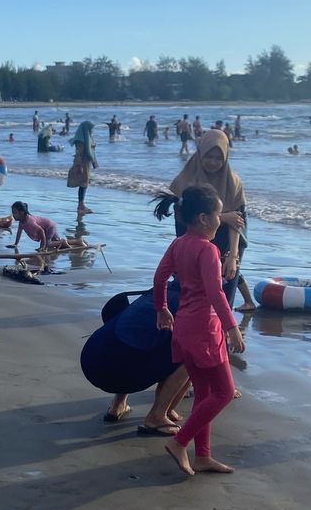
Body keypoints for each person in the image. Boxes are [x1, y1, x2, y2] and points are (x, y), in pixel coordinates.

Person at [152, 183, 244, 477]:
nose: (220, 220)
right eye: (217, 215)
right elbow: (216, 293)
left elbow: (160, 276)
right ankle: (180, 442)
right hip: (206, 330)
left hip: (183, 328)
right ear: (204, 218)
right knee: (225, 392)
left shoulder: (179, 244)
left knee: (205, 394)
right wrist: (232, 328)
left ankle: (203, 456)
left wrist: (162, 308)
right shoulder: (208, 250)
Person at [81, 288, 190, 431]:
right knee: (192, 358)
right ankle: (158, 415)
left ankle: (117, 405)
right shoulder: (192, 304)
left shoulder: (157, 291)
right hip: (121, 374)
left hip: (91, 358)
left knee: (135, 335)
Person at [160, 129, 247, 301]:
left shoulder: (233, 182)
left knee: (224, 292)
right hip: (193, 237)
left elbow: (237, 221)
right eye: (208, 156)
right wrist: (224, 217)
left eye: (218, 158)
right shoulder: (185, 180)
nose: (213, 162)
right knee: (195, 293)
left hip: (229, 239)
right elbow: (185, 221)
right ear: (200, 153)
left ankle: (224, 326)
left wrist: (232, 256)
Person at [10, 201, 83, 254]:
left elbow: (41, 231)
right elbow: (19, 232)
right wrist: (16, 244)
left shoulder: (30, 222)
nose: (13, 215)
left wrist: (43, 247)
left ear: (22, 212)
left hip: (49, 226)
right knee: (56, 242)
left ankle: (63, 242)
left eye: (15, 213)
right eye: (13, 213)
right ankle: (78, 241)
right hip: (48, 226)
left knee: (49, 244)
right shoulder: (22, 221)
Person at [67, 120, 96, 216]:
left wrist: (93, 162)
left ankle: (81, 205)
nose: (92, 131)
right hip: (82, 163)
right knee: (83, 184)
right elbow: (79, 153)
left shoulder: (86, 138)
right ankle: (81, 206)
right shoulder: (81, 140)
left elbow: (91, 150)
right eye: (90, 129)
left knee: (84, 184)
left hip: (86, 163)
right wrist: (79, 166)